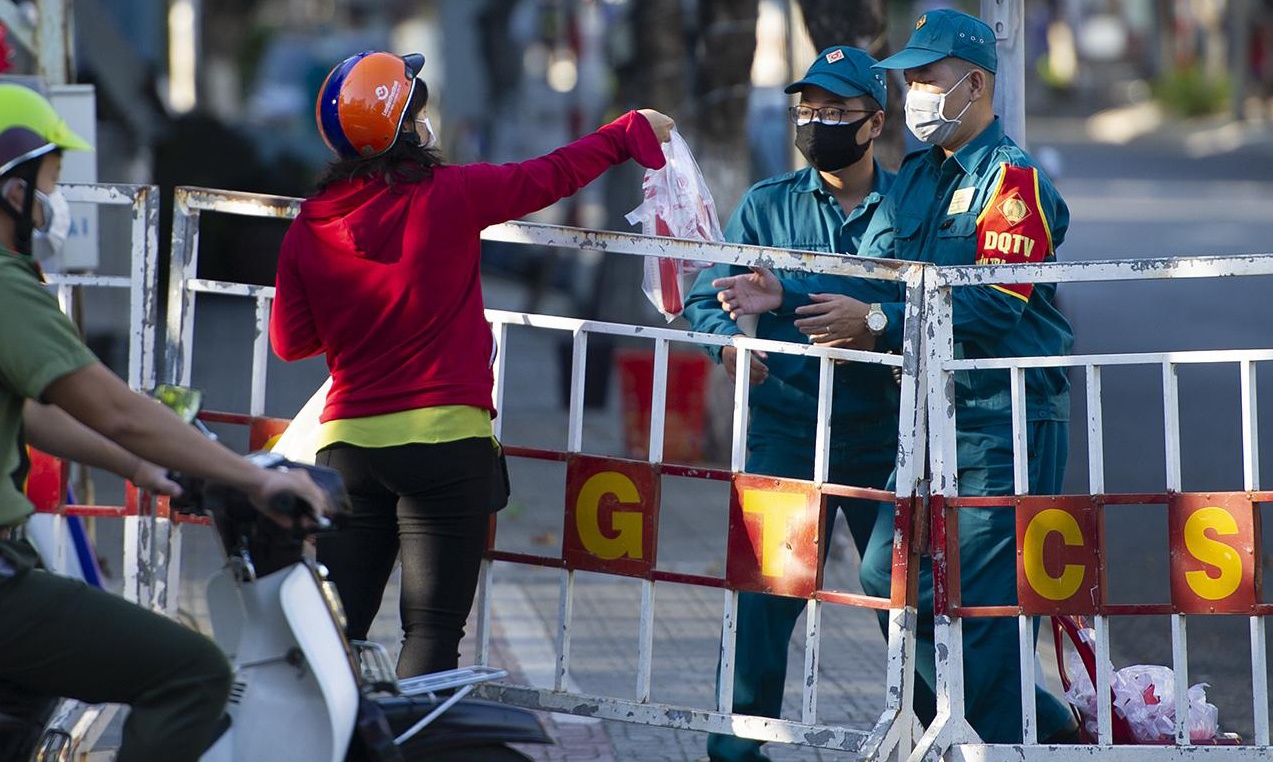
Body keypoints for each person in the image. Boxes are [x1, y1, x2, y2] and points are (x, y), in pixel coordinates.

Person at [713, 10, 1079, 745]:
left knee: (985, 613)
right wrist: (788, 298)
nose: (914, 92)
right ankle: (1001, 727)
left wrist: (874, 325)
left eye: (925, 78)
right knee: (889, 577)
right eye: (908, 79)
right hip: (928, 417)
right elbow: (888, 282)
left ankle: (1000, 741)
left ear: (973, 84)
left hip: (1001, 418)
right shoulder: (920, 179)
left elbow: (986, 308)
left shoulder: (1010, 183)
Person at [270, 50, 674, 679]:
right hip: (445, 445)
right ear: (404, 129)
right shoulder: (449, 195)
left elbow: (291, 343)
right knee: (430, 631)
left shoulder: (308, 228)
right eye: (419, 112)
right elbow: (550, 176)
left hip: (348, 450)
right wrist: (628, 132)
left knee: (333, 630)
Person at [0, 82, 335, 762]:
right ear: (13, 190)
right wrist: (253, 479)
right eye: (53, 179)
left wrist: (141, 469)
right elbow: (117, 409)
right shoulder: (6, 286)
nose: (55, 199)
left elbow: (34, 412)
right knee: (191, 672)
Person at [682, 46, 900, 762]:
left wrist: (850, 310)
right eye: (808, 110)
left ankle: (938, 739)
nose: (817, 123)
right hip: (785, 433)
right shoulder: (767, 204)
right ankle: (735, 751)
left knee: (905, 604)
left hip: (885, 437)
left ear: (873, 122)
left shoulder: (910, 205)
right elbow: (702, 290)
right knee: (764, 606)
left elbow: (929, 303)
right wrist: (727, 346)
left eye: (836, 111)